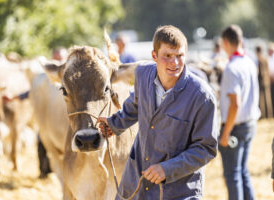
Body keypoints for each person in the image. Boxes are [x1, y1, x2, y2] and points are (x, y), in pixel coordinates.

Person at [97, 25, 218, 199]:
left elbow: (206, 148)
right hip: (135, 185)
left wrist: (167, 169)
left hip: (178, 192)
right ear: (154, 56)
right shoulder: (142, 74)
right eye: (167, 56)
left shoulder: (202, 96)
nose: (174, 63)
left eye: (179, 56)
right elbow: (134, 106)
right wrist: (114, 124)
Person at [219, 24, 260, 200]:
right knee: (243, 172)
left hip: (235, 127)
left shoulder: (231, 68)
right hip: (250, 123)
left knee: (232, 175)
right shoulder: (249, 62)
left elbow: (235, 104)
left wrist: (225, 133)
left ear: (225, 42)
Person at [255, 46, 273, 118]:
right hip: (267, 81)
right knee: (268, 99)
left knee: (261, 99)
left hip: (261, 82)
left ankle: (263, 115)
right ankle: (269, 114)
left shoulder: (259, 59)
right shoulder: (265, 59)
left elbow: (261, 72)